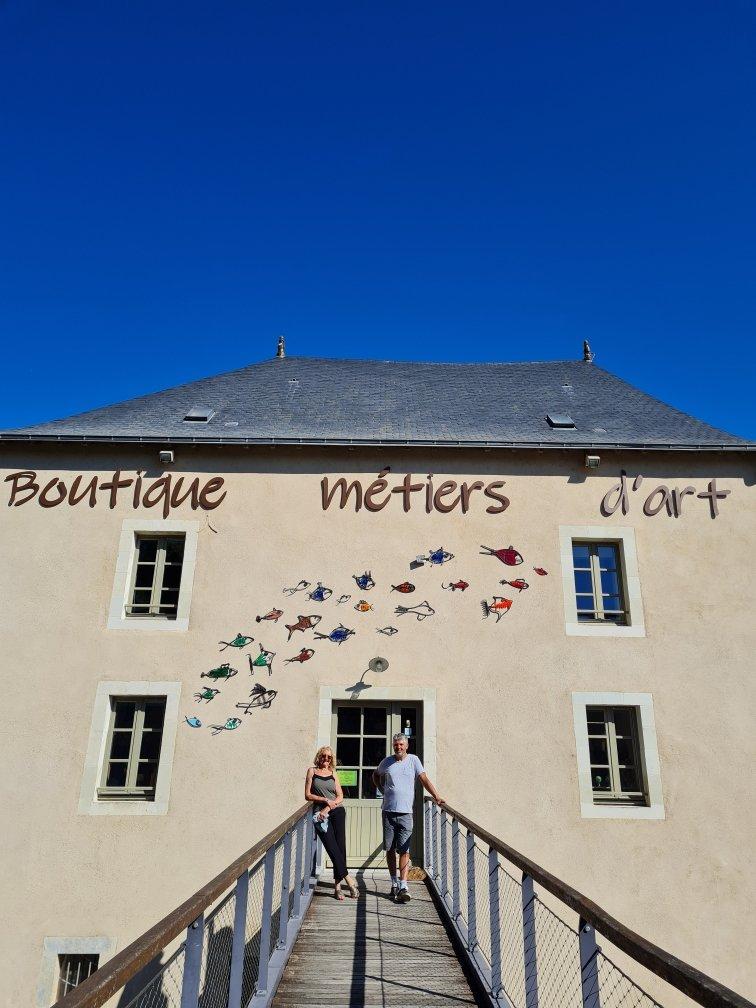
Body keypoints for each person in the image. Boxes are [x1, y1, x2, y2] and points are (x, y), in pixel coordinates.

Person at [372, 733, 445, 903]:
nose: (398, 747)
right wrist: (382, 789)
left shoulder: (413, 760)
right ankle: (393, 883)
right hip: (388, 811)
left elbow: (424, 779)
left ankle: (404, 885)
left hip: (406, 813)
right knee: (390, 849)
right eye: (396, 745)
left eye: (401, 745)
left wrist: (436, 796)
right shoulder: (387, 762)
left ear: (406, 746)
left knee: (404, 849)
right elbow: (376, 775)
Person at [305, 746, 358, 900]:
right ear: (318, 757)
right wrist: (324, 800)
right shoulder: (312, 771)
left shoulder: (333, 773)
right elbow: (307, 794)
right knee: (331, 847)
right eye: (323, 756)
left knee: (340, 848)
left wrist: (327, 807)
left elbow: (340, 796)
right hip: (319, 815)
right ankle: (348, 879)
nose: (326, 760)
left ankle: (337, 887)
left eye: (329, 757)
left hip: (336, 811)